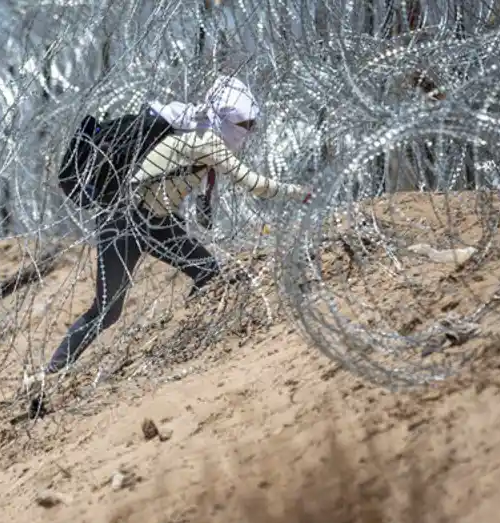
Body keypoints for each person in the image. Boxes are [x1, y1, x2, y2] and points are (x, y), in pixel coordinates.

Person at [34, 75, 311, 388]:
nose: (248, 133)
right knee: (112, 309)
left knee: (198, 276)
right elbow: (255, 184)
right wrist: (303, 193)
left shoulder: (193, 128)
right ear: (225, 119)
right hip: (138, 223)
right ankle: (51, 375)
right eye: (245, 125)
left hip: (134, 223)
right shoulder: (204, 140)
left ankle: (191, 334)